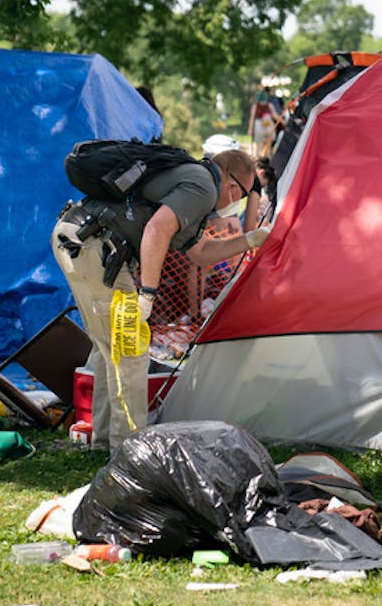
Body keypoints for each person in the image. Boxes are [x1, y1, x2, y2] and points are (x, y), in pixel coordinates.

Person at [51, 147, 269, 451]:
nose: (238, 203)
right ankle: (129, 451)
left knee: (110, 348)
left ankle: (102, 443)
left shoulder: (196, 180)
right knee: (130, 348)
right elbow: (156, 230)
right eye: (243, 196)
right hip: (93, 247)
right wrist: (148, 294)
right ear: (233, 186)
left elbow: (200, 252)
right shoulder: (204, 187)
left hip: (82, 238)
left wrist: (246, 240)